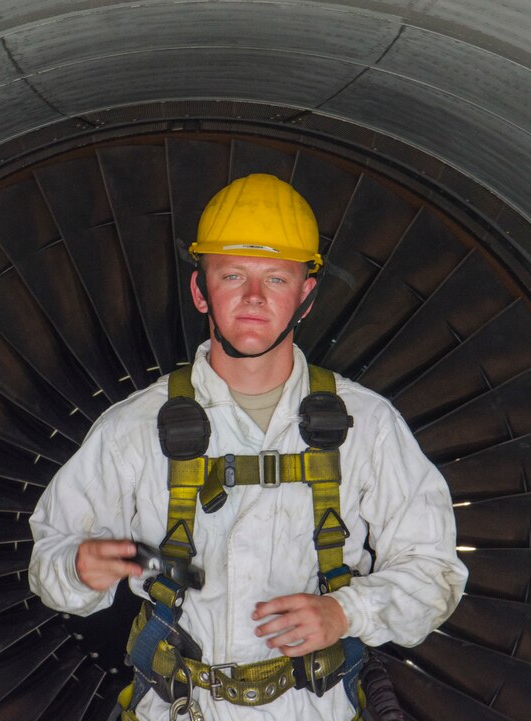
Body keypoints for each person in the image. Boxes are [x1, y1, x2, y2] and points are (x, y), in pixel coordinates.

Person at [29, 173, 468, 721]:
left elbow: (435, 573)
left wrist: (345, 612)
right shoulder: (135, 428)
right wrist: (77, 566)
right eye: (233, 274)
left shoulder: (368, 426)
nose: (254, 298)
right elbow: (48, 558)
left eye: (277, 279)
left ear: (306, 296)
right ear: (200, 290)